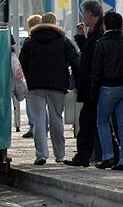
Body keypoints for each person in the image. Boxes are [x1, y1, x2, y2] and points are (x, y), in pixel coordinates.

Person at [19, 12, 80, 165]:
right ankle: (60, 155)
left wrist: (29, 78)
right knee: (56, 119)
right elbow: (75, 61)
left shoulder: (30, 41)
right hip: (57, 86)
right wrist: (75, 80)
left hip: (35, 86)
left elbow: (22, 63)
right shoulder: (63, 41)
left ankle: (41, 154)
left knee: (39, 120)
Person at [64, 0, 110, 167]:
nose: (83, 16)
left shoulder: (100, 33)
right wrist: (81, 38)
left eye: (84, 13)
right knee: (90, 121)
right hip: (92, 86)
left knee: (90, 122)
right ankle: (88, 155)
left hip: (94, 87)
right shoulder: (95, 32)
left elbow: (93, 59)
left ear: (91, 14)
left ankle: (88, 156)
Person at [90, 11, 123, 170]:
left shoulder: (101, 43)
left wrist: (94, 91)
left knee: (102, 121)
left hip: (108, 87)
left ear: (105, 25)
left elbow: (96, 71)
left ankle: (108, 155)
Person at [22, 14, 43, 139]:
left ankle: (33, 127)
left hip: (32, 79)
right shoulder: (53, 39)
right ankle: (43, 127)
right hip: (48, 79)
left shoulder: (29, 41)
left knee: (31, 104)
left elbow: (23, 61)